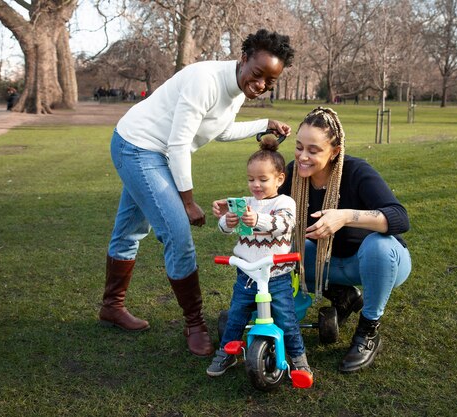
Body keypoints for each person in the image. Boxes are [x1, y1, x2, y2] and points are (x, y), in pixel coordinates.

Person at [100, 29, 296, 358]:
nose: (260, 84)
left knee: (130, 230)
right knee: (178, 235)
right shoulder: (206, 80)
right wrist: (187, 201)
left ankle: (111, 307)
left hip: (153, 152)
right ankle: (195, 323)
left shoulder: (235, 92)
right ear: (244, 58)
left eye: (269, 81)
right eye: (258, 74)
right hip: (138, 147)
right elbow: (179, 144)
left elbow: (220, 131)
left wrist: (266, 122)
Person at [214, 107, 411, 372]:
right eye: (298, 147)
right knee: (284, 251)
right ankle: (341, 295)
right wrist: (235, 209)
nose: (303, 156)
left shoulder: (356, 171)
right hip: (323, 261)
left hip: (375, 263)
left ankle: (368, 330)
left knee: (379, 246)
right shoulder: (294, 174)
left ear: (335, 150)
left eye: (313, 150)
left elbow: (399, 217)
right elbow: (264, 203)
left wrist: (345, 217)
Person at [206, 136, 311, 377]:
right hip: (247, 274)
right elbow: (225, 229)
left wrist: (258, 220)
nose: (256, 185)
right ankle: (227, 353)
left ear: (279, 179)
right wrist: (227, 221)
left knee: (286, 318)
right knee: (236, 315)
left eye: (263, 179)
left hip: (277, 275)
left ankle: (298, 358)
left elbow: (284, 224)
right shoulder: (245, 203)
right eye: (251, 179)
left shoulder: (285, 202)